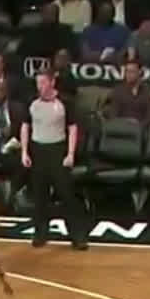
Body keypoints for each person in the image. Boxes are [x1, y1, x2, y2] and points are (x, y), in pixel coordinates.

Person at [21, 71, 88, 250]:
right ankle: (40, 234)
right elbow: (25, 126)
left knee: (66, 195)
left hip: (58, 151)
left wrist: (70, 154)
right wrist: (25, 152)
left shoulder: (65, 102)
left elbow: (73, 129)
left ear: (52, 82)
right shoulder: (31, 102)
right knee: (39, 196)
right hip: (38, 151)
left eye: (43, 82)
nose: (40, 87)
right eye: (38, 83)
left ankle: (77, 237)